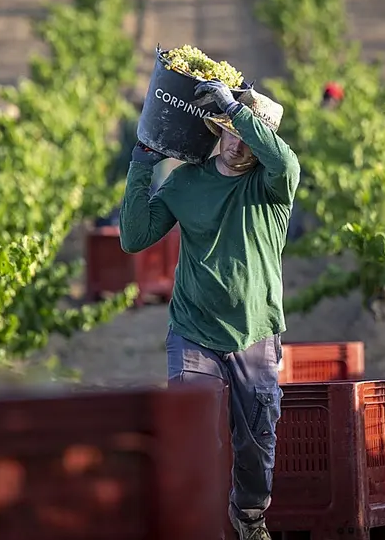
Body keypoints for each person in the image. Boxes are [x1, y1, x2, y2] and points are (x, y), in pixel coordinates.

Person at [119, 79, 299, 540]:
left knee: (257, 441)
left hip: (254, 333)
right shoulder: (186, 182)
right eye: (231, 129)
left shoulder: (272, 185)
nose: (239, 142)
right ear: (218, 130)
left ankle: (250, 516)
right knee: (192, 434)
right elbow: (134, 238)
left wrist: (236, 109)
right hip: (194, 329)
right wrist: (140, 166)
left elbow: (286, 160)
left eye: (249, 134)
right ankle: (195, 524)